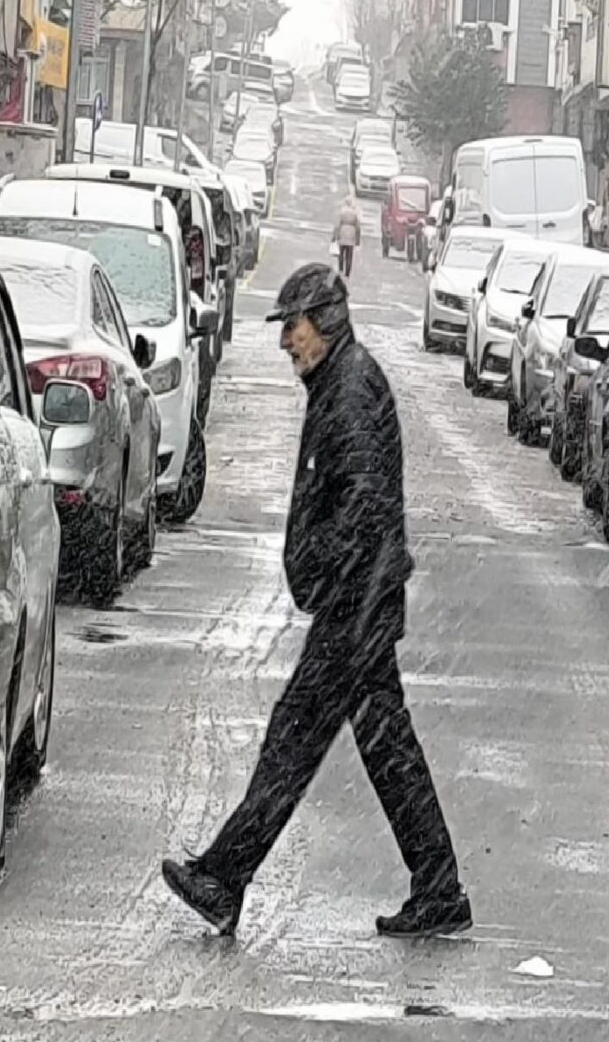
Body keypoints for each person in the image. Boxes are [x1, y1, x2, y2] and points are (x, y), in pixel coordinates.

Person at [161, 263, 472, 939]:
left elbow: (362, 506)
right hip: (359, 604)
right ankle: (439, 887)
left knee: (292, 745)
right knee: (386, 750)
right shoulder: (339, 381)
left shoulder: (351, 387)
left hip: (353, 610)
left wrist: (325, 573)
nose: (285, 343)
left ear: (325, 323)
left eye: (293, 328)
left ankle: (223, 878)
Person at [335, 191, 364, 278]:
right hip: (351, 234)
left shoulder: (342, 212)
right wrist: (358, 240)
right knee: (349, 255)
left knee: (341, 253)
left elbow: (338, 224)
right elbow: (358, 227)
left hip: (343, 232)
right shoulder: (354, 213)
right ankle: (347, 272)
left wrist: (336, 236)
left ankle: (340, 269)